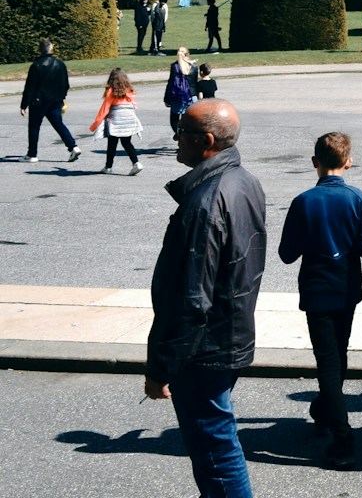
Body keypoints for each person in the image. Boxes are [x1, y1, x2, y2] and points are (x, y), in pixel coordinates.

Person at [144, 99, 268, 498]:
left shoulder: (204, 202)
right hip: (229, 333)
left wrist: (161, 367)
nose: (176, 138)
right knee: (217, 441)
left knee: (215, 450)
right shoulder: (244, 180)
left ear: (207, 141)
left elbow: (189, 298)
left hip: (205, 348)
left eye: (182, 132)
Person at [277, 131, 362, 469]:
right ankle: (325, 410)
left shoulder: (304, 201)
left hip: (317, 287)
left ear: (315, 163)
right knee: (339, 354)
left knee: (328, 362)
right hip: (346, 287)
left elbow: (287, 254)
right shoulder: (359, 199)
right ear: (348, 162)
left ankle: (341, 434)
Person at [19, 38, 79, 163]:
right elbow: (65, 84)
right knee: (58, 124)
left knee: (34, 127)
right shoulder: (60, 64)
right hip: (55, 100)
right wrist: (62, 97)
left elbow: (30, 87)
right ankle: (73, 147)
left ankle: (32, 154)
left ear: (40, 51)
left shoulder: (36, 65)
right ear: (52, 49)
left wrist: (24, 104)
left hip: (39, 101)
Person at [89, 68, 145, 174]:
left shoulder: (111, 90)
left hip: (116, 119)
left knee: (112, 144)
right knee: (127, 142)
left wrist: (95, 124)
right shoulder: (129, 90)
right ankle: (136, 163)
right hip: (129, 117)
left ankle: (108, 167)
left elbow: (104, 109)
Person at [163, 47, 197, 138]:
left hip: (177, 96)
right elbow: (194, 83)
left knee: (174, 119)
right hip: (191, 95)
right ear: (187, 54)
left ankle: (180, 135)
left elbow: (170, 83)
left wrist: (166, 98)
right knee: (189, 120)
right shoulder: (193, 66)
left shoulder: (175, 66)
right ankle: (187, 136)